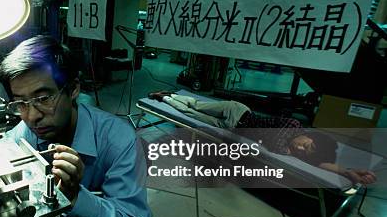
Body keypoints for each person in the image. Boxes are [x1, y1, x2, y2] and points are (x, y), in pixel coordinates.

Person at [0, 35, 153, 217]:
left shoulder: (119, 140)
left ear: (73, 89)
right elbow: (5, 148)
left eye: (44, 98)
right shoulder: (23, 133)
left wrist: (75, 198)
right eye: (21, 103)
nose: (32, 116)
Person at [148, 91, 376, 185]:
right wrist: (286, 149)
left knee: (189, 114)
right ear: (308, 135)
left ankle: (165, 99)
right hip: (236, 112)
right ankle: (171, 95)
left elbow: (319, 162)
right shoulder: (293, 125)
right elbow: (277, 143)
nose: (301, 149)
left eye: (304, 153)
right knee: (198, 105)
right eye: (307, 145)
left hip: (229, 128)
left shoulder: (299, 148)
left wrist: (347, 172)